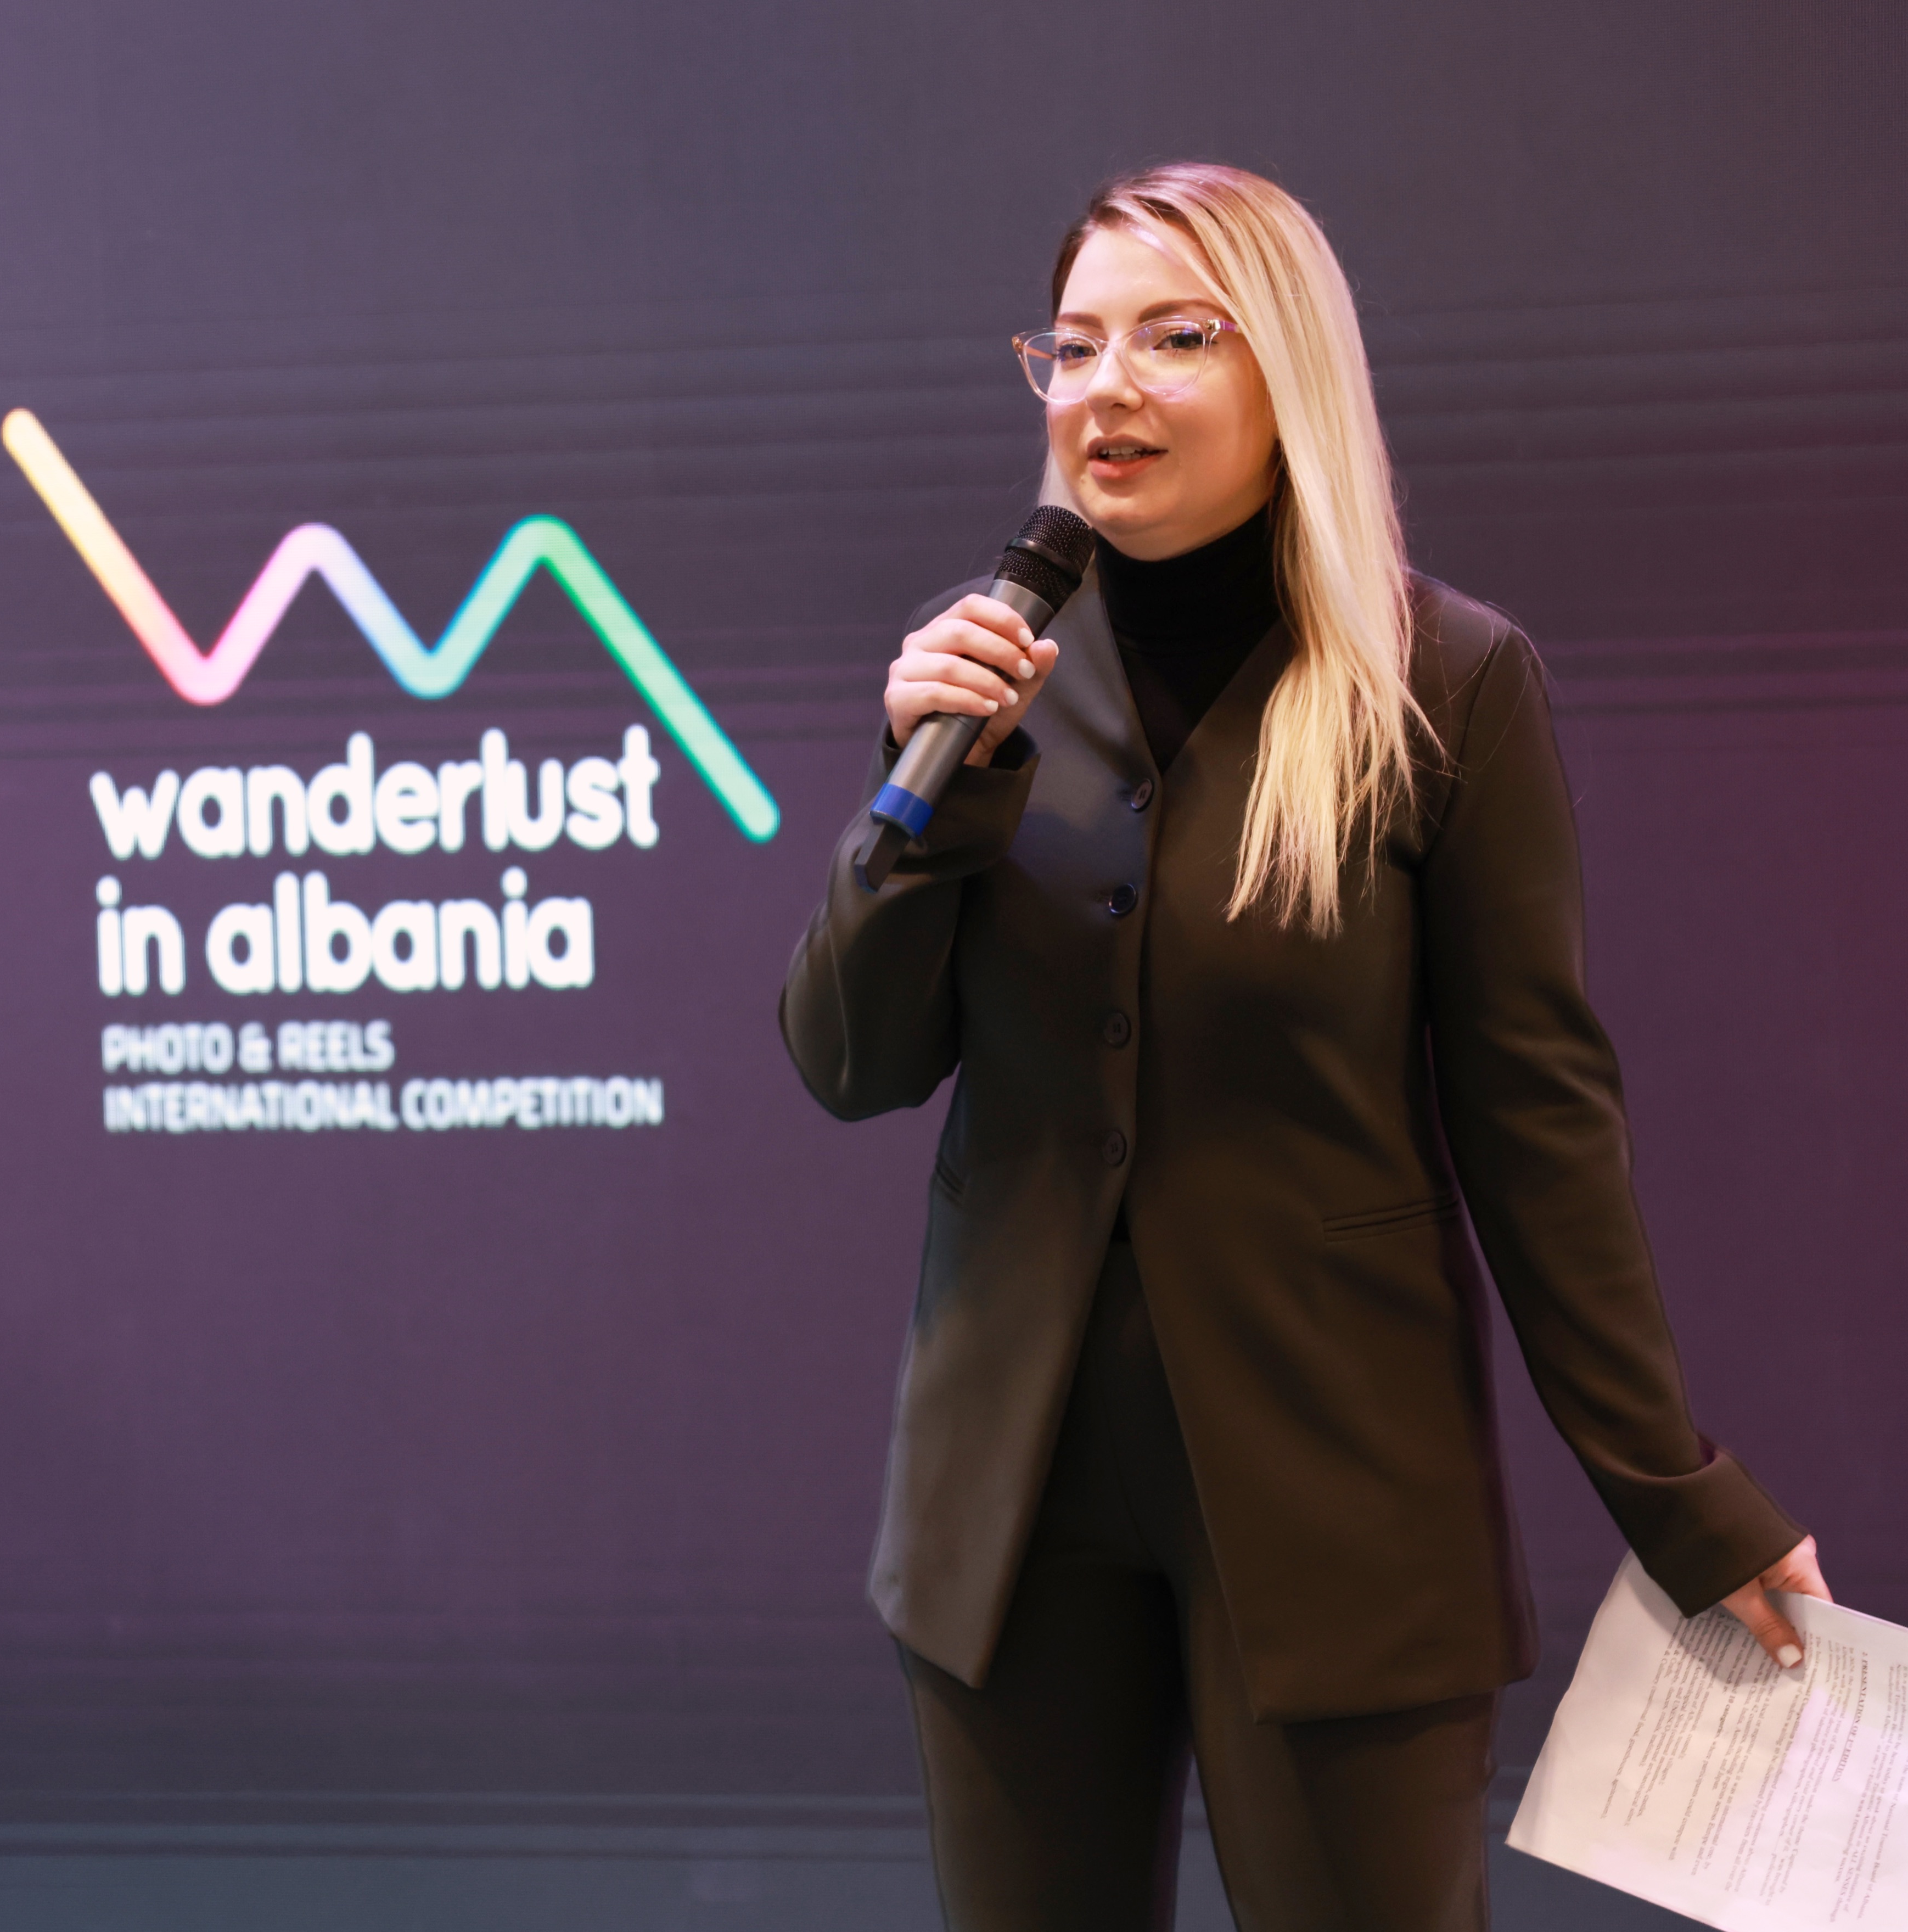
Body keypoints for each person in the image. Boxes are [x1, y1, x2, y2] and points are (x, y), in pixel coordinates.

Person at [778, 162, 1830, 1932]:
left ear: (1293, 373)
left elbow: (1538, 1125)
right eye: (1074, 347)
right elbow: (847, 1060)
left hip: (1341, 1501)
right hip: (1006, 1516)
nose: (1108, 388)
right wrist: (925, 791)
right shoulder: (991, 669)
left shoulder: (1446, 680)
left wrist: (1678, 1493)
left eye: (1177, 339)